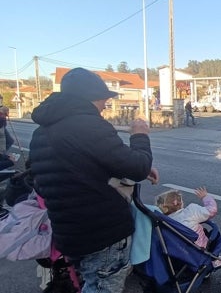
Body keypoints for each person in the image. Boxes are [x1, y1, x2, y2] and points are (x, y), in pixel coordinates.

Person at [29, 67, 159, 293]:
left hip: (69, 232)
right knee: (101, 287)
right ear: (91, 97)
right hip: (102, 233)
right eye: (104, 100)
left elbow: (57, 174)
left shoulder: (42, 131)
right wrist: (140, 135)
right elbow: (138, 167)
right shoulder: (88, 125)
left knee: (90, 283)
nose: (104, 106)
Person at [155, 187, 221, 267]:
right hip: (197, 249)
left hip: (177, 249)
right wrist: (205, 197)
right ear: (179, 203)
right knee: (214, 234)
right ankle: (214, 260)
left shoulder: (164, 220)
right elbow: (212, 210)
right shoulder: (191, 212)